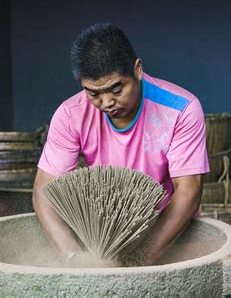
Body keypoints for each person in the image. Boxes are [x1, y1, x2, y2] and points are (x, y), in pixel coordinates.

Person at [33, 22, 209, 266]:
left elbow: (189, 191)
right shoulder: (70, 114)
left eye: (116, 89)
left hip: (167, 234)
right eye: (93, 93)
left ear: (137, 69)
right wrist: (73, 256)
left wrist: (137, 262)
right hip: (101, 236)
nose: (106, 102)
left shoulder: (181, 110)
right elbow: (45, 191)